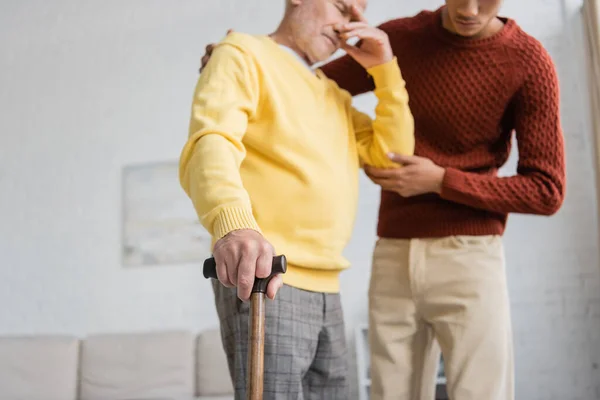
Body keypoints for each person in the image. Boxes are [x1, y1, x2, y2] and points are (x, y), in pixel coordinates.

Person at [200, 0, 566, 399]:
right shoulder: (398, 40)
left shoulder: (528, 60)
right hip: (374, 256)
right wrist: (231, 63)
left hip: (463, 253)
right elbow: (291, 82)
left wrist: (442, 179)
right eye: (341, 8)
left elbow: (546, 190)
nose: (472, 9)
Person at [179, 0, 415, 398]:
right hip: (267, 276)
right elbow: (212, 141)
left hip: (329, 286)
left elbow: (393, 158)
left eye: (356, 17)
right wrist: (233, 224)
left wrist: (385, 71)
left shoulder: (335, 96)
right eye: (341, 7)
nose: (347, 26)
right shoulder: (242, 53)